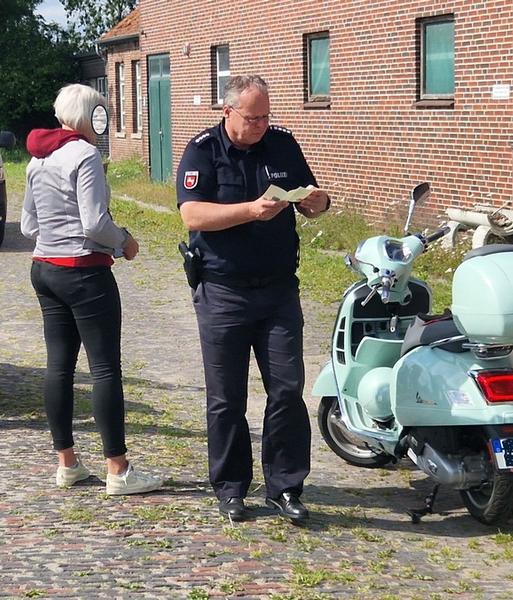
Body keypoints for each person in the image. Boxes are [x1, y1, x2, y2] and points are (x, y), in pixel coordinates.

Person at [176, 75, 331, 523]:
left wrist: (317, 202)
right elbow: (192, 214)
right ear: (228, 112)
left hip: (279, 291)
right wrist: (250, 210)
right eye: (253, 117)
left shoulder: (282, 144)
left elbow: (310, 197)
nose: (262, 124)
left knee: (287, 390)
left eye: (266, 116)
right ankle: (230, 488)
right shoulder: (203, 150)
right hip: (223, 291)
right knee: (226, 398)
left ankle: (285, 487)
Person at [21, 83, 163, 496]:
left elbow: (28, 225)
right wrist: (124, 241)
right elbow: (94, 222)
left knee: (59, 367)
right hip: (83, 271)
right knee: (104, 369)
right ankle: (118, 469)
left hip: (45, 268)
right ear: (89, 117)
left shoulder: (37, 158)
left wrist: (56, 235)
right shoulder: (85, 155)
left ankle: (67, 464)